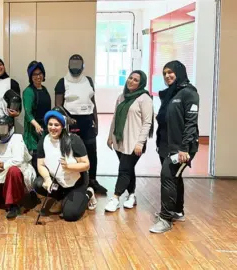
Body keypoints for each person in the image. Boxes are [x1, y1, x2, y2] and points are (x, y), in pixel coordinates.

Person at [150, 60, 199, 234]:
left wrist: (184, 148)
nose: (167, 76)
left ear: (179, 72)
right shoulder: (170, 94)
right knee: (175, 178)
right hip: (166, 145)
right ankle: (177, 211)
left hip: (181, 148)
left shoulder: (189, 93)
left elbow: (191, 124)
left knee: (168, 176)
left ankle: (166, 219)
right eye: (164, 73)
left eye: (170, 72)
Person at [54, 54, 106, 195]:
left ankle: (92, 181)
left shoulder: (88, 80)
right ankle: (77, 182)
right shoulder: (62, 82)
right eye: (73, 64)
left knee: (92, 152)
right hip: (72, 122)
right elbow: (58, 106)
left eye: (78, 65)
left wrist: (96, 121)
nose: (75, 68)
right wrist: (66, 119)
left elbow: (93, 103)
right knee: (73, 153)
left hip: (88, 122)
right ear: (68, 65)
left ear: (83, 66)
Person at [33, 110, 97, 221]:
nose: (53, 127)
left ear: (62, 126)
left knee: (70, 215)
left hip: (77, 182)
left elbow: (86, 165)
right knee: (39, 184)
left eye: (56, 125)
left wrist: (68, 167)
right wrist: (47, 179)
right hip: (58, 181)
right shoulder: (44, 140)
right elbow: (41, 164)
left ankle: (88, 193)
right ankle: (60, 198)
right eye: (50, 124)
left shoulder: (73, 140)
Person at [105, 70, 153, 212]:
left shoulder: (145, 99)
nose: (131, 81)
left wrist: (140, 143)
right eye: (130, 78)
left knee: (124, 169)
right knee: (128, 169)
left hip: (134, 143)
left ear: (141, 83)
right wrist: (110, 136)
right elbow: (115, 118)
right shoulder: (122, 97)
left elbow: (147, 123)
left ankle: (115, 198)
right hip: (120, 141)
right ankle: (132, 195)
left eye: (136, 80)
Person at [0, 115, 36, 219]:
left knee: (13, 171)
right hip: (2, 172)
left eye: (3, 128)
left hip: (20, 170)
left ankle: (14, 204)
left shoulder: (17, 139)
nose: (0, 132)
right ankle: (7, 194)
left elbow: (18, 160)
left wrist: (3, 165)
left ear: (10, 128)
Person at [23, 61, 51, 170]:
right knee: (35, 158)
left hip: (45, 128)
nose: (38, 76)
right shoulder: (28, 92)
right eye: (34, 74)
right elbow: (28, 113)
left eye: (40, 73)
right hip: (33, 131)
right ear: (30, 76)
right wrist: (36, 125)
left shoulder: (44, 90)